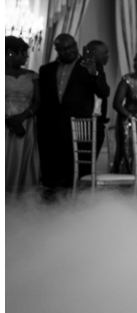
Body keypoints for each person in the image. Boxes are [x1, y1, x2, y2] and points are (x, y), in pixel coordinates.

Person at [36, 33, 110, 193]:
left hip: (78, 127)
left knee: (77, 172)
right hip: (51, 127)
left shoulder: (90, 67)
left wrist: (93, 74)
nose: (68, 51)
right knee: (51, 172)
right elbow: (42, 100)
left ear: (76, 45)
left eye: (71, 47)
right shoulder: (46, 70)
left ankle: (75, 207)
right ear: (56, 50)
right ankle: (49, 205)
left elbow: (103, 91)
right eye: (62, 49)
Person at [6, 36, 40, 194]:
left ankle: (19, 201)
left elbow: (38, 102)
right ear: (10, 52)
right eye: (23, 53)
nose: (27, 56)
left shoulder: (32, 75)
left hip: (26, 124)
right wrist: (9, 121)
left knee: (21, 159)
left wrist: (22, 117)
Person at [83, 40, 111, 157]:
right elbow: (104, 92)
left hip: (97, 120)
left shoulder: (99, 68)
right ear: (94, 53)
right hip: (87, 121)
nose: (108, 56)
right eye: (105, 52)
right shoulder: (84, 67)